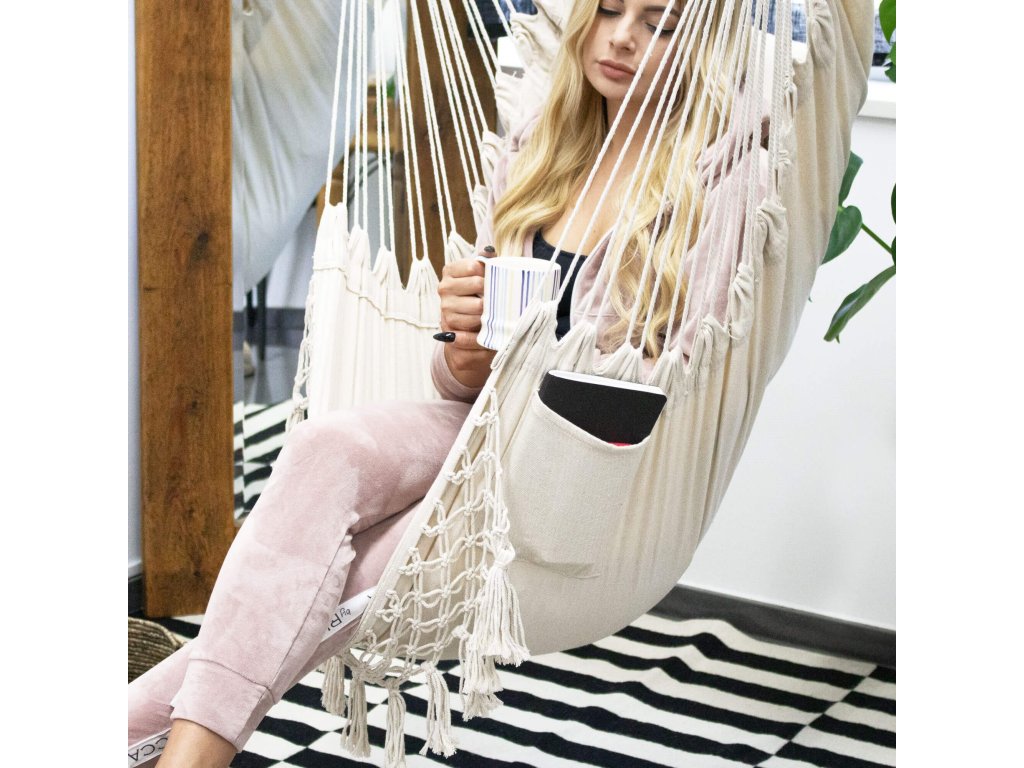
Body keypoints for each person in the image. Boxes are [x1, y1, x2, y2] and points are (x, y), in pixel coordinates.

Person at [128, 0, 761, 764]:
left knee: (358, 570)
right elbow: (461, 372)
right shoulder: (539, 152)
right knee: (324, 449)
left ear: (699, 41)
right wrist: (460, 352)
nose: (622, 37)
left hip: (573, 465)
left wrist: (550, 359)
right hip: (480, 423)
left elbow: (681, 375)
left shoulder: (717, 179)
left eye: (658, 23)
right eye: (607, 10)